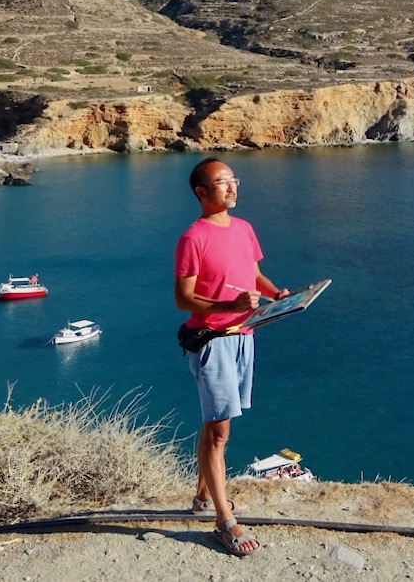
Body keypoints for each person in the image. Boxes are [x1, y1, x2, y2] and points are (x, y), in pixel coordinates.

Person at [173, 157, 289, 556]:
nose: (232, 187)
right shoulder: (193, 238)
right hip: (214, 340)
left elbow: (253, 275)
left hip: (244, 335)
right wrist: (229, 304)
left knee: (216, 424)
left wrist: (276, 294)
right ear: (201, 192)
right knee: (219, 431)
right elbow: (182, 298)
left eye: (233, 180)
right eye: (222, 182)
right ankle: (224, 521)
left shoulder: (244, 229)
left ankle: (203, 497)